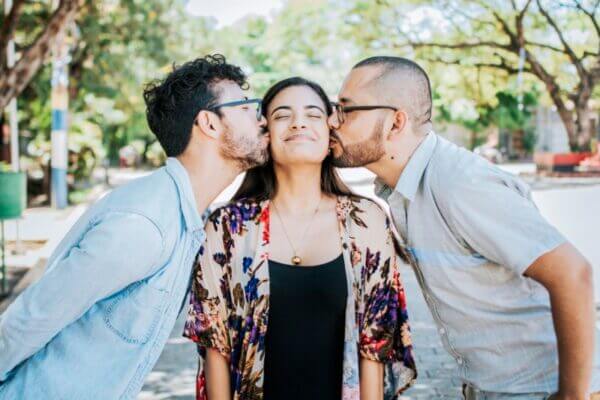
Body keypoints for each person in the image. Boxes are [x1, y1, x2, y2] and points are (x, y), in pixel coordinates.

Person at [328, 55, 600, 399]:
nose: (332, 121)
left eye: (346, 109)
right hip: (494, 388)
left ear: (396, 122)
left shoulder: (459, 184)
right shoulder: (401, 187)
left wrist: (572, 395)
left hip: (541, 389)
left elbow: (573, 274)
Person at [0, 54, 268, 399]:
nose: (260, 120)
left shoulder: (188, 219)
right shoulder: (146, 224)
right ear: (209, 124)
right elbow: (30, 319)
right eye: (247, 107)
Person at [183, 77, 417, 400]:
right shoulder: (228, 226)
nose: (298, 123)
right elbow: (214, 344)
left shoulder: (366, 221)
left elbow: (374, 344)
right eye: (281, 115)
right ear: (266, 135)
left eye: (312, 114)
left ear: (329, 134)